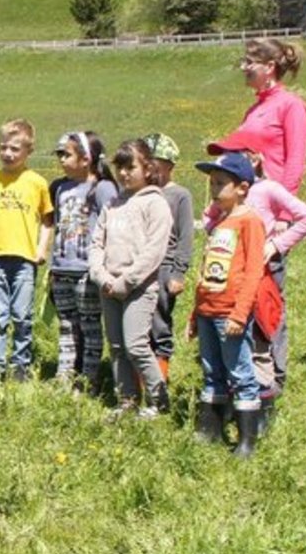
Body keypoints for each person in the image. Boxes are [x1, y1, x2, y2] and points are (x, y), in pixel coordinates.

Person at [203, 129, 306, 413]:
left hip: (263, 273)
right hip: (230, 279)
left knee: (262, 331)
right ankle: (236, 396)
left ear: (254, 159)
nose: (222, 162)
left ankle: (265, 395)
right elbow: (211, 228)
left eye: (230, 156)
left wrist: (276, 245)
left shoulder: (267, 189)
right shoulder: (225, 196)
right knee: (234, 336)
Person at [187, 152, 268, 456]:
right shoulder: (220, 223)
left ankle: (247, 438)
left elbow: (252, 272)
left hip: (230, 313)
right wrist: (196, 313)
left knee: (240, 371)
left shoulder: (250, 222)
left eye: (221, 183)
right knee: (212, 370)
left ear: (242, 188)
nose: (213, 188)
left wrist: (240, 312)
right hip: (209, 310)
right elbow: (207, 270)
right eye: (212, 182)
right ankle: (211, 428)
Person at [89, 139, 172, 417]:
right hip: (108, 286)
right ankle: (127, 400)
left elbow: (153, 251)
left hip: (138, 288)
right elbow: (97, 243)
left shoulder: (155, 204)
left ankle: (158, 399)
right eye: (120, 167)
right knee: (116, 346)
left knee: (135, 344)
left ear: (147, 168)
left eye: (131, 167)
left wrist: (126, 281)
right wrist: (101, 276)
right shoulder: (112, 204)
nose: (124, 173)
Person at [0, 119, 54, 382]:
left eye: (15, 149)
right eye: (4, 148)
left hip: (25, 259)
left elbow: (47, 220)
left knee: (22, 315)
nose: (8, 154)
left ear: (28, 151)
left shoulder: (37, 183)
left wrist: (42, 249)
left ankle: (20, 364)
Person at [47, 131, 118, 389]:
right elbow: (56, 227)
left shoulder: (102, 188)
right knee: (66, 323)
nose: (61, 160)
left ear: (86, 158)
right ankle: (64, 374)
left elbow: (112, 226)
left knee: (89, 325)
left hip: (87, 269)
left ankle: (90, 376)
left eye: (66, 154)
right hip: (62, 267)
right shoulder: (60, 187)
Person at [143, 134, 195, 387]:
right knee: (140, 324)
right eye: (146, 162)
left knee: (159, 322)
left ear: (170, 165)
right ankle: (141, 378)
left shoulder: (179, 195)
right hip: (141, 267)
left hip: (164, 267)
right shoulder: (138, 194)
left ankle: (159, 379)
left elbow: (186, 237)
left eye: (156, 162)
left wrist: (178, 273)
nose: (151, 168)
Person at [234, 38, 306, 194]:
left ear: (269, 67)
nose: (243, 68)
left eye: (249, 62)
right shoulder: (252, 110)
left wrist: (284, 212)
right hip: (248, 202)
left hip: (273, 206)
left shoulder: (291, 105)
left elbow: (295, 162)